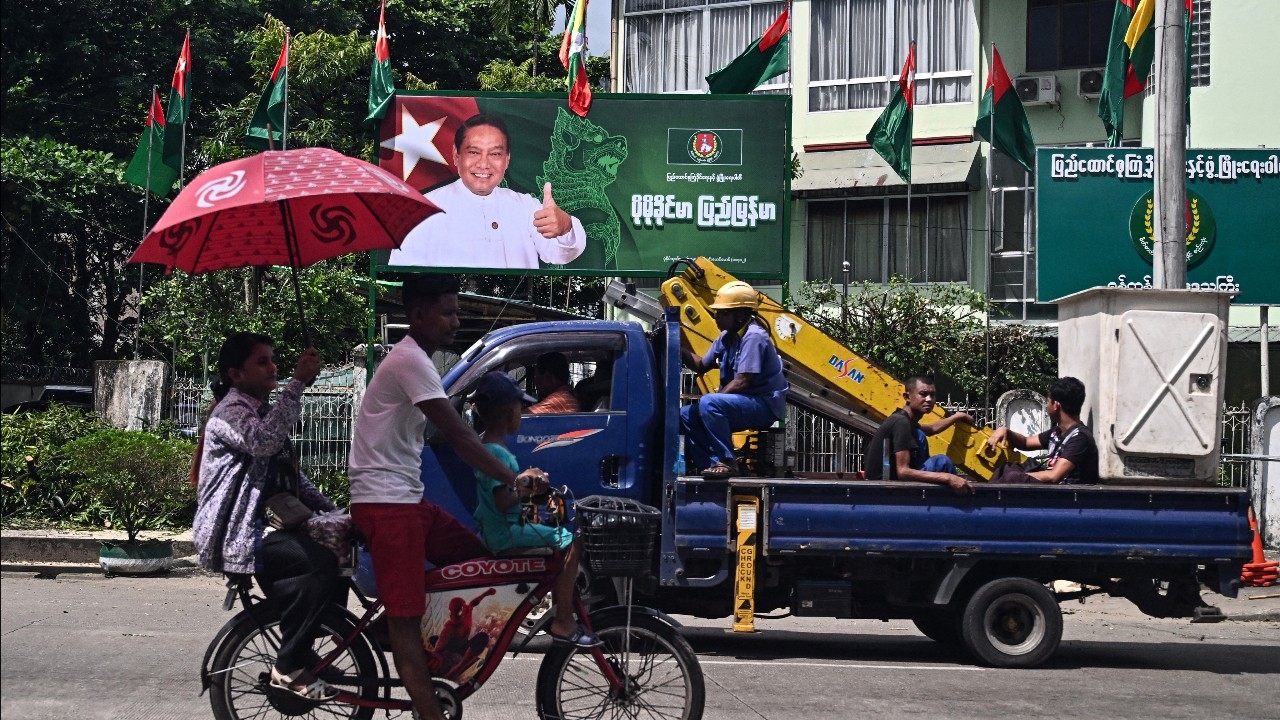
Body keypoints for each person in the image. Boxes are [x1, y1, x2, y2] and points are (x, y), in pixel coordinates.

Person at [347, 274, 547, 720]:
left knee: (480, 562)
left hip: (405, 502)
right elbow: (459, 436)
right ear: (418, 315)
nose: (456, 321)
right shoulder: (410, 361)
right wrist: (514, 480)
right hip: (386, 505)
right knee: (406, 616)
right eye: (449, 311)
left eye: (458, 311)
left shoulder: (417, 359)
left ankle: (413, 644)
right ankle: (426, 704)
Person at [192, 333, 341, 702]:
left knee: (342, 547)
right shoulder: (231, 412)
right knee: (318, 562)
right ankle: (289, 666)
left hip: (263, 526)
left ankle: (305, 647)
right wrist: (297, 383)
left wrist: (334, 511)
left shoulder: (258, 409)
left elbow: (290, 476)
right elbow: (264, 442)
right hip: (236, 533)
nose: (273, 367)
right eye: (262, 361)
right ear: (235, 374)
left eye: (272, 359)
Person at [468, 371, 600, 646]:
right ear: (509, 414)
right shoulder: (497, 453)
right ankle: (563, 618)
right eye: (519, 408)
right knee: (571, 542)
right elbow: (503, 500)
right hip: (506, 532)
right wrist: (526, 484)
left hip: (502, 528)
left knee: (555, 528)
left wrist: (529, 484)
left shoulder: (487, 446)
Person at [389, 113, 586, 270]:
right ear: (456, 156)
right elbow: (401, 278)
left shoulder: (527, 208)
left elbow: (560, 254)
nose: (484, 164)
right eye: (474, 152)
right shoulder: (422, 210)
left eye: (495, 154)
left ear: (507, 160)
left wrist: (565, 226)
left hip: (518, 317)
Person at [679, 281, 789, 479]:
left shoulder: (754, 337)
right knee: (684, 416)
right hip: (741, 402)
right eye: (717, 312)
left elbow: (743, 380)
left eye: (723, 313)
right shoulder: (726, 337)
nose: (716, 317)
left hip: (763, 405)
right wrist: (677, 346)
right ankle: (712, 465)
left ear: (741, 315)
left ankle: (727, 461)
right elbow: (701, 365)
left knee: (709, 403)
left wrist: (713, 403)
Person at [864, 375, 975, 495]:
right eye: (923, 394)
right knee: (942, 462)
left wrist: (957, 416)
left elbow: (932, 429)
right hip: (885, 491)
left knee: (920, 434)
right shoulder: (901, 423)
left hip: (889, 485)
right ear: (907, 397)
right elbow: (903, 471)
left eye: (932, 395)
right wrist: (948, 478)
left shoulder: (906, 420)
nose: (929, 399)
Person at [985, 376, 1099, 484]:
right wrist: (1006, 431)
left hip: (1067, 497)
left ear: (1056, 405)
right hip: (1053, 490)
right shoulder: (1057, 432)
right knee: (1007, 468)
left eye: (1048, 401)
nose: (1047, 406)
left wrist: (1018, 476)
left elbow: (1054, 476)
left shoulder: (1080, 437)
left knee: (1012, 477)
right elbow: (1025, 443)